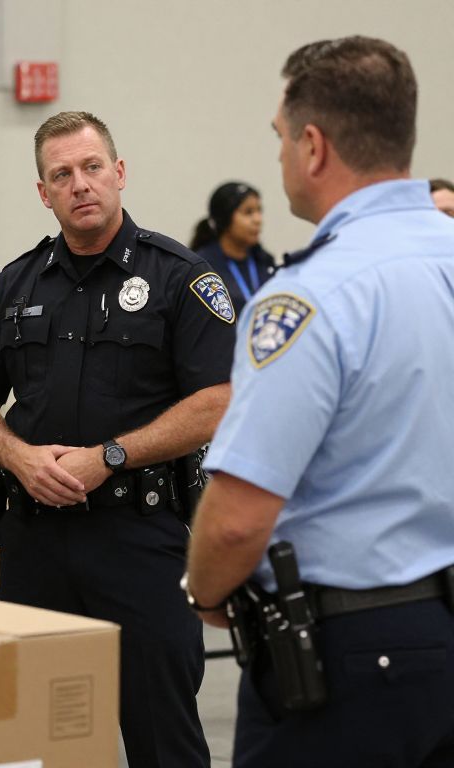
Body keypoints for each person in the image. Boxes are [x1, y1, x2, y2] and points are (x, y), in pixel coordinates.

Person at [184, 36, 454, 767]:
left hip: (352, 655)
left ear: (312, 147)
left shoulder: (310, 297)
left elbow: (238, 521)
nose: (278, 157)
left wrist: (205, 591)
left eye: (279, 138)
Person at [0, 110, 236, 768]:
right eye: (61, 175)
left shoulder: (179, 277)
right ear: (42, 192)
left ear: (119, 172)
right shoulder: (17, 283)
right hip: (36, 541)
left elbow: (219, 401)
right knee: (36, 739)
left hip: (141, 539)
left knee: (162, 737)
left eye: (92, 167)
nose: (80, 184)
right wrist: (18, 457)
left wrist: (112, 456)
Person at [189, 181, 275, 314]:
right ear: (224, 219)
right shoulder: (203, 268)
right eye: (248, 212)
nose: (258, 220)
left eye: (259, 210)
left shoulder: (265, 262)